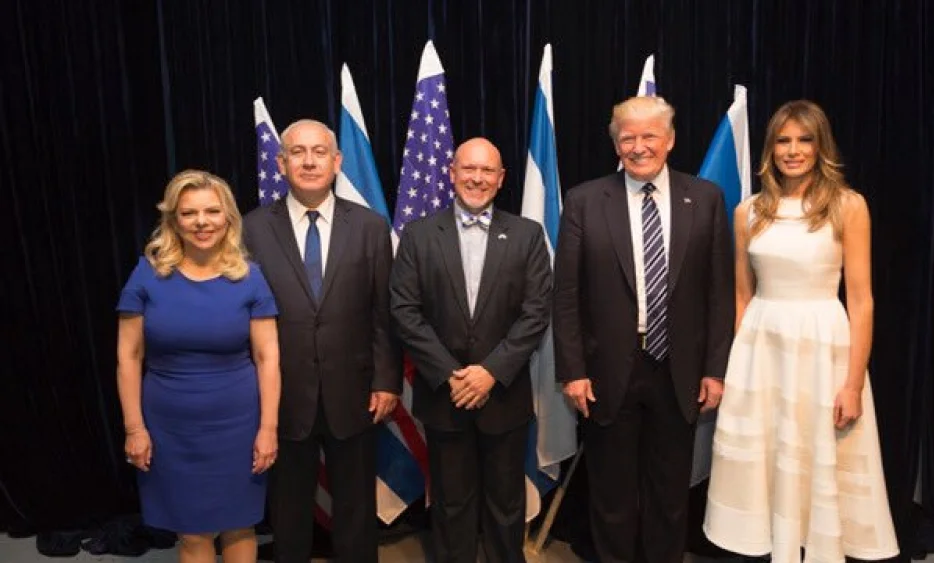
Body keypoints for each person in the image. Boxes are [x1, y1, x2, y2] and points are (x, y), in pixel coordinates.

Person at [703, 100, 899, 563]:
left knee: (817, 464)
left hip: (823, 352)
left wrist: (852, 383)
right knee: (765, 466)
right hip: (761, 352)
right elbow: (741, 297)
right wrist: (738, 368)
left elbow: (862, 300)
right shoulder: (748, 212)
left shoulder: (849, 206)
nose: (793, 151)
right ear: (771, 149)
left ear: (821, 146)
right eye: (783, 141)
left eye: (804, 140)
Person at [552, 96, 735, 563]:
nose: (638, 147)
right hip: (607, 372)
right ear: (616, 144)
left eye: (648, 135)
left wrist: (716, 369)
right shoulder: (585, 200)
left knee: (669, 497)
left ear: (669, 140)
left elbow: (719, 293)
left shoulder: (707, 199)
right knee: (610, 497)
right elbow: (567, 295)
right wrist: (572, 370)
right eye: (627, 137)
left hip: (681, 372)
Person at [243, 119, 401, 563]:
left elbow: (382, 312)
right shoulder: (252, 229)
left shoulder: (370, 227)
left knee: (355, 504)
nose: (309, 161)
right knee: (289, 506)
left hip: (354, 391)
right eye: (297, 152)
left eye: (319, 152)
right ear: (281, 163)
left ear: (337, 161)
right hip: (282, 394)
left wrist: (387, 380)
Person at [390, 137, 552, 563]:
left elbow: (536, 313)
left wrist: (490, 372)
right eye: (468, 169)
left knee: (505, 504)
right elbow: (405, 312)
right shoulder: (419, 234)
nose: (477, 178)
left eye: (487, 171)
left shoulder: (527, 235)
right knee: (451, 502)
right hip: (446, 394)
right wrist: (451, 374)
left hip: (503, 393)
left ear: (500, 180)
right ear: (451, 173)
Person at [116, 169, 281, 563]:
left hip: (239, 425)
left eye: (212, 211)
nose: (202, 222)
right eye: (189, 213)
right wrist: (134, 428)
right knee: (192, 533)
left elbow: (268, 357)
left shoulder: (250, 278)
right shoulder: (147, 274)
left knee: (240, 526)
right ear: (173, 219)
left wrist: (268, 428)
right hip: (170, 428)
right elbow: (128, 357)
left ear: (228, 218)